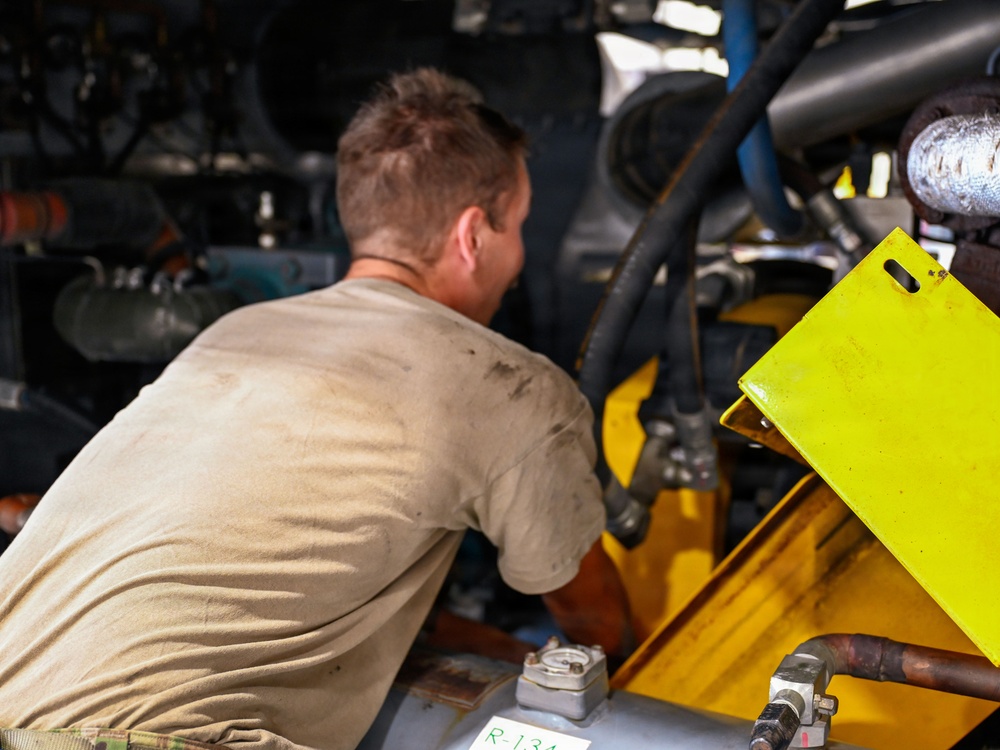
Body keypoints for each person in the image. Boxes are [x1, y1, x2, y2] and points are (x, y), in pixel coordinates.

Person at [0, 68, 632, 750]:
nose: (519, 256)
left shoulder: (237, 332)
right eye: (521, 226)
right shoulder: (511, 385)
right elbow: (598, 631)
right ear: (472, 234)